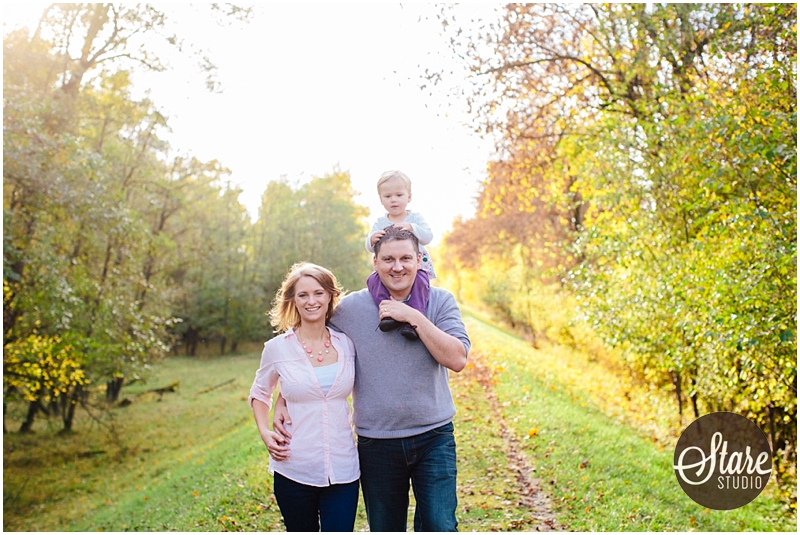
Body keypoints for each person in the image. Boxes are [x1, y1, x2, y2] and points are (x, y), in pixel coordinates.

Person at [271, 227, 470, 531]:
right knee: (386, 528)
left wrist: (412, 316)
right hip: (377, 444)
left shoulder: (440, 301)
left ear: (419, 260)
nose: (398, 266)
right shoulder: (351, 309)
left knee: (440, 525)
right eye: (388, 259)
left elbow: (457, 359)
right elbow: (306, 342)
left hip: (434, 438)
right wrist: (285, 396)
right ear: (375, 263)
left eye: (406, 258)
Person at [249, 262, 360, 532]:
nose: (312, 301)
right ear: (293, 301)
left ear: (330, 296)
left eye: (319, 293)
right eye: (303, 295)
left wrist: (283, 399)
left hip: (343, 468)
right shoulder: (277, 349)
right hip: (294, 467)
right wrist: (265, 431)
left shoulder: (347, 343)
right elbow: (260, 393)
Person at [365, 170, 436, 341]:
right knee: (373, 280)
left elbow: (428, 237)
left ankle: (412, 319)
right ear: (381, 199)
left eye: (399, 195)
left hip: (416, 266)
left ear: (409, 197)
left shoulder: (415, 218)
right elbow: (369, 246)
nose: (393, 200)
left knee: (420, 283)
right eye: (387, 196)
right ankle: (387, 313)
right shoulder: (380, 222)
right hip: (391, 265)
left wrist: (412, 228)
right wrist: (371, 240)